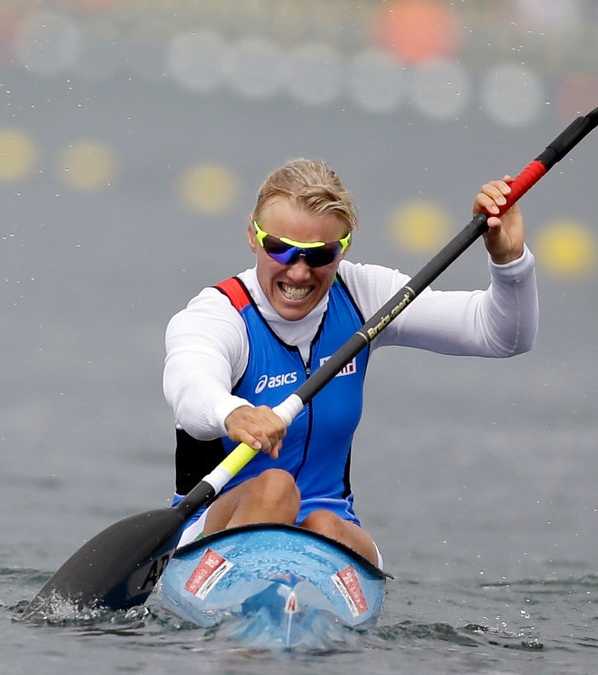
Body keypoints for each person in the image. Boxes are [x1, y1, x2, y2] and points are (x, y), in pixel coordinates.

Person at [162, 158, 538, 567]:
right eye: (280, 248)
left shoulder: (364, 296)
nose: (300, 272)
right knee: (274, 487)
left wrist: (510, 262)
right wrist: (234, 413)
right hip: (213, 527)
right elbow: (190, 387)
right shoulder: (219, 315)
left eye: (320, 254)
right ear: (253, 237)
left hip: (330, 525)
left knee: (324, 523)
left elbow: (502, 336)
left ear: (345, 248)